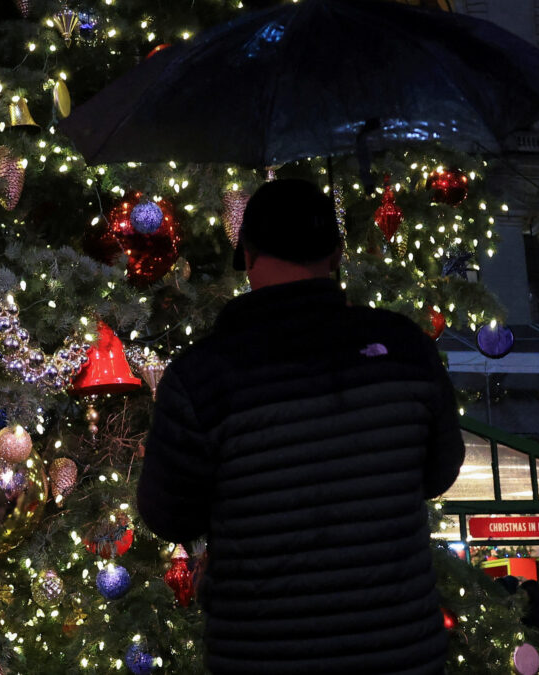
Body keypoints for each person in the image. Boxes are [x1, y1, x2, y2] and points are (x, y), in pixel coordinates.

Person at [138, 178, 466, 674]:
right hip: (400, 651)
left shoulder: (201, 377)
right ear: (335, 256)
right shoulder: (404, 347)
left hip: (263, 655)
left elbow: (167, 514)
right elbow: (441, 471)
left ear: (247, 257)